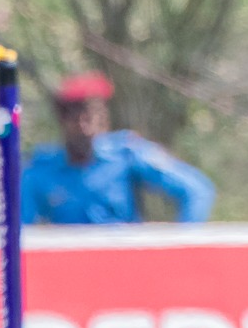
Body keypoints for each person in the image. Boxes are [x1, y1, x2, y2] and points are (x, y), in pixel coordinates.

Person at [19, 72, 215, 225]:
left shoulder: (127, 154)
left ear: (103, 117)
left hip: (125, 261)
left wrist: (181, 247)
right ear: (62, 120)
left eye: (91, 116)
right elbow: (20, 226)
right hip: (69, 262)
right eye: (75, 117)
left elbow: (196, 190)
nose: (84, 126)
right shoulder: (40, 169)